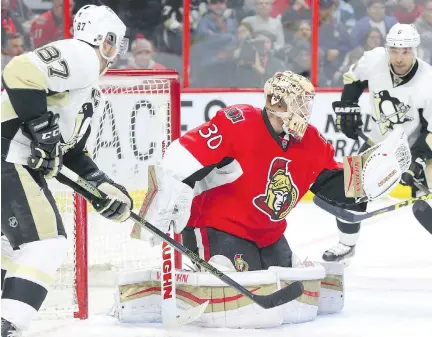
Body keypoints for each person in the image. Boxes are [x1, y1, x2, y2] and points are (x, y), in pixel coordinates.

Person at [139, 71, 410, 273]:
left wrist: (368, 181)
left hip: (268, 234)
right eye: (300, 104)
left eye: (307, 104)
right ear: (278, 104)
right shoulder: (238, 123)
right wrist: (163, 198)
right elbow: (183, 155)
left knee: (291, 285)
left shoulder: (311, 141)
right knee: (234, 276)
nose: (305, 112)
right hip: (218, 229)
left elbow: (333, 183)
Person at [1, 5, 132, 336]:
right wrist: (43, 133)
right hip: (8, 153)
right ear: (106, 41)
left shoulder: (87, 87)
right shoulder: (83, 56)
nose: (117, 52)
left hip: (13, 156)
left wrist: (101, 184)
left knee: (10, 249)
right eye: (117, 43)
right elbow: (18, 72)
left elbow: (70, 150)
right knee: (46, 244)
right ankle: (7, 324)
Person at [322, 23, 432, 263]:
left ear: (415, 50)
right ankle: (346, 244)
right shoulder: (374, 60)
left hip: (416, 144)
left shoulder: (429, 81)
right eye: (394, 50)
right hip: (378, 140)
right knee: (349, 188)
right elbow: (353, 78)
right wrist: (347, 107)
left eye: (405, 51)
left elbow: (430, 131)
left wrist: (416, 160)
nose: (399, 57)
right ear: (387, 48)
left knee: (427, 194)